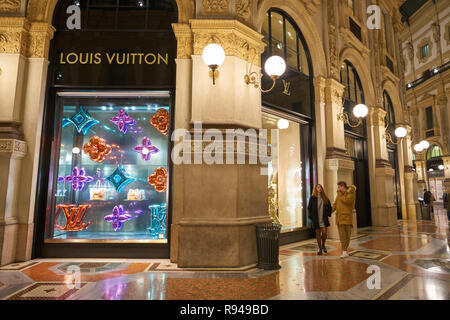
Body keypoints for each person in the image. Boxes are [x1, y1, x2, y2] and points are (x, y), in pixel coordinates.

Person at [332, 181, 357, 258]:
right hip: (339, 218)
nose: (338, 189)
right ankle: (344, 251)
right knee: (342, 235)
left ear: (343, 186)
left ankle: (345, 250)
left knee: (347, 236)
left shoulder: (351, 193)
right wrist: (329, 211)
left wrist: (339, 194)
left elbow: (346, 201)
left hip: (347, 218)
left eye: (339, 187)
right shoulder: (339, 194)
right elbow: (335, 204)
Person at [308, 184, 332, 255]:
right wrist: (311, 217)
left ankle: (323, 244)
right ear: (315, 189)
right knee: (318, 234)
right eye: (318, 187)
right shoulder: (312, 198)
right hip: (316, 219)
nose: (319, 188)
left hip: (323, 219)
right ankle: (320, 248)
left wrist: (328, 214)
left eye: (320, 187)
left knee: (324, 233)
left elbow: (329, 207)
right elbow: (309, 208)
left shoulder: (325, 197)